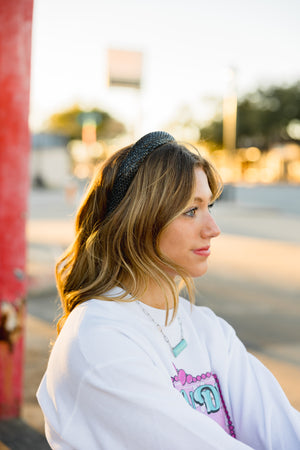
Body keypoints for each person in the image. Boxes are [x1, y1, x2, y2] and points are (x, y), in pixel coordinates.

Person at [37, 131, 300, 449]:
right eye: (191, 211)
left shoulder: (205, 327)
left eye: (209, 207)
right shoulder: (97, 338)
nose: (213, 229)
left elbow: (281, 428)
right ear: (140, 219)